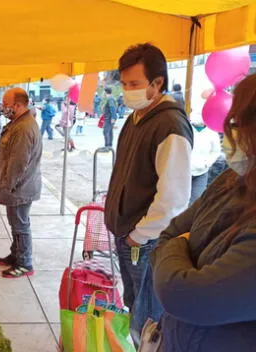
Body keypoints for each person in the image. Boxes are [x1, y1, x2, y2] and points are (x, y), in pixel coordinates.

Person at [150, 73, 256, 352]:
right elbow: (170, 232)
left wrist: (178, 246)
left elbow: (185, 295)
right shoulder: (233, 180)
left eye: (238, 124)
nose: (229, 133)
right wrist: (177, 245)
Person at [104, 43, 193, 343]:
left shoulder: (170, 125)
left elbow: (173, 197)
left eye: (135, 84)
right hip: (126, 233)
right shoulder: (136, 118)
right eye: (125, 84)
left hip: (145, 240)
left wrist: (138, 235)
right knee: (133, 305)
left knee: (148, 317)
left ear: (157, 83)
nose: (128, 90)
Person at [0, 88, 42, 278]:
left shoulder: (23, 128)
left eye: (6, 104)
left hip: (19, 187)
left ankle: (24, 263)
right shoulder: (18, 123)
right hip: (17, 186)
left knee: (20, 225)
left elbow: (17, 162)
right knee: (16, 223)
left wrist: (7, 186)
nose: (3, 108)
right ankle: (16, 254)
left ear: (19, 105)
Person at [189, 115, 221, 204]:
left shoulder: (212, 132)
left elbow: (216, 151)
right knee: (180, 200)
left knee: (196, 200)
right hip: (184, 171)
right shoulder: (187, 128)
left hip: (201, 173)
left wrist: (207, 163)